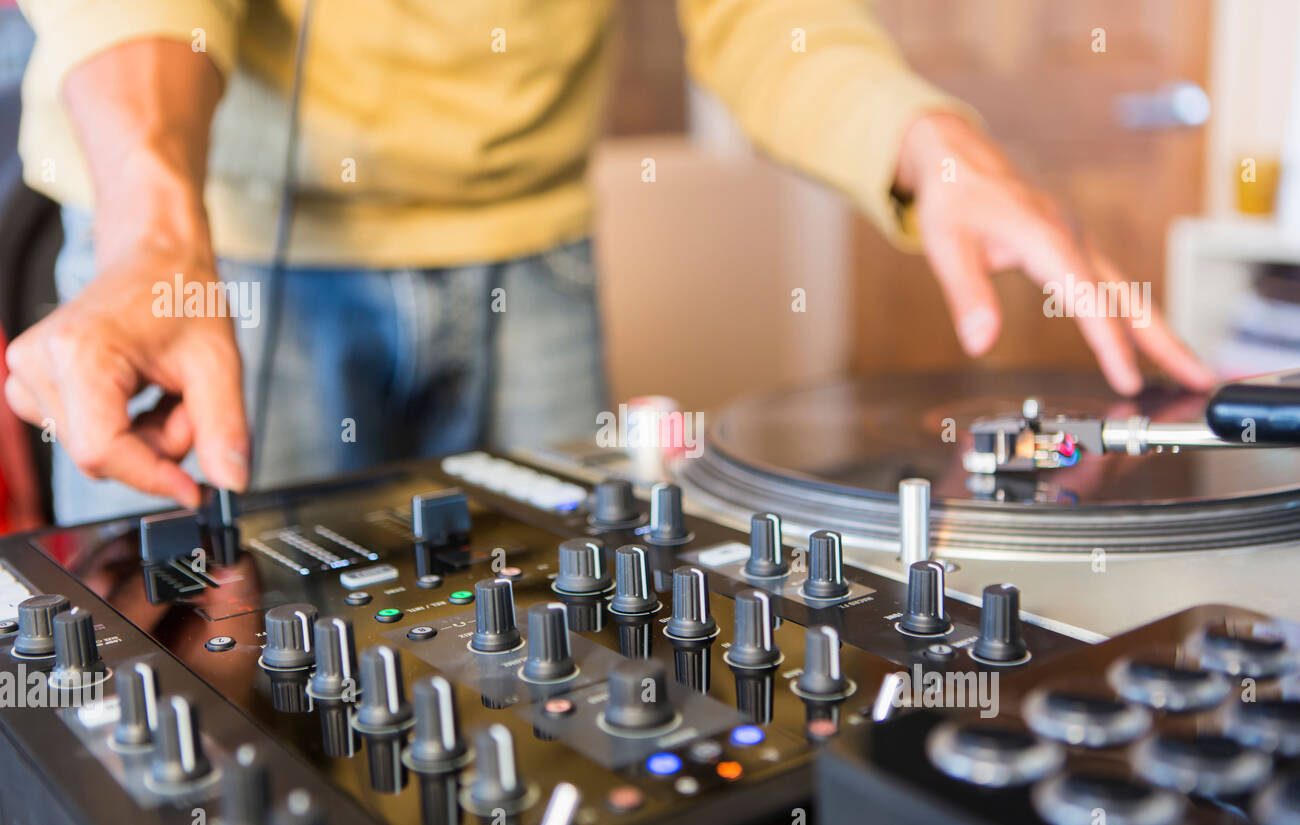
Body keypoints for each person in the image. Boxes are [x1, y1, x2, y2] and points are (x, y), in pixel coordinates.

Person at [4, 1, 1214, 525]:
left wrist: (925, 138)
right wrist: (160, 234)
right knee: (201, 736)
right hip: (222, 243)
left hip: (533, 251)